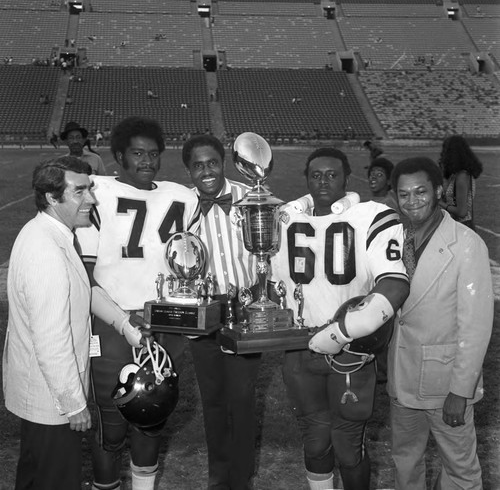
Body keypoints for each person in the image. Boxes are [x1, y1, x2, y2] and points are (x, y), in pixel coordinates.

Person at [270, 147, 409, 490]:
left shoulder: (371, 215)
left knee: (348, 446)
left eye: (332, 174)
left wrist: (346, 329)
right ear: (306, 179)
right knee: (314, 440)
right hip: (300, 346)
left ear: (348, 178)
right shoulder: (283, 219)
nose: (323, 182)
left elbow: (394, 283)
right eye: (316, 175)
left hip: (350, 348)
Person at [76, 116, 201, 490]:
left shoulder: (181, 197)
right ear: (118, 156)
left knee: (153, 413)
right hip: (112, 319)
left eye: (154, 154)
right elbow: (85, 275)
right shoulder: (95, 193)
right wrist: (120, 319)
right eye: (137, 153)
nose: (147, 161)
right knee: (112, 419)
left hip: (165, 320)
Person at [388, 156, 493, 490]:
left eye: (420, 191)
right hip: (402, 376)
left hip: (444, 382)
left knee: (460, 470)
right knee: (405, 463)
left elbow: (475, 327)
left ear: (437, 190)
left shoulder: (465, 244)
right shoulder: (393, 238)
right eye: (404, 194)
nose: (412, 201)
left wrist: (460, 391)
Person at [3, 156, 95, 489]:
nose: (91, 200)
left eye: (90, 189)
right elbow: (51, 339)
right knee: (55, 479)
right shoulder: (45, 248)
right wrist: (74, 404)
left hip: (44, 394)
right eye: (80, 192)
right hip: (52, 401)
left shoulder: (50, 233)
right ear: (52, 197)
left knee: (35, 476)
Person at [182, 134, 261, 490]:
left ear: (223, 163)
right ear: (189, 170)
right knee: (212, 398)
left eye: (212, 162)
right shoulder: (183, 207)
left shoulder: (251, 196)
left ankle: (240, 479)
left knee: (242, 398)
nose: (206, 171)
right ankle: (219, 478)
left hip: (244, 307)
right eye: (198, 165)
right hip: (203, 310)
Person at [438, 134, 483, 229]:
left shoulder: (462, 177)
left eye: (445, 151)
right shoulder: (456, 175)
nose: (442, 155)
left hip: (462, 227)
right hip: (455, 225)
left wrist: (440, 203)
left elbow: (462, 212)